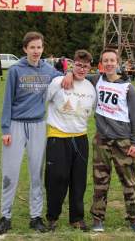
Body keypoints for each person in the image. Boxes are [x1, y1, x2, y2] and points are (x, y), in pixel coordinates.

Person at [0, 32, 73, 236]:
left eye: (39, 47)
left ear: (43, 49)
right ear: (25, 49)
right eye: (32, 48)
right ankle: (5, 217)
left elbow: (64, 78)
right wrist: (5, 129)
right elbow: (7, 102)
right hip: (16, 126)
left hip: (38, 126)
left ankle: (35, 217)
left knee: (37, 173)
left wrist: (69, 73)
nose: (36, 51)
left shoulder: (48, 70)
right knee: (10, 173)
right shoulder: (15, 70)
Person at [89, 48, 135, 236]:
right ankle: (97, 218)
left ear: (117, 63)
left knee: (128, 182)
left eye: (112, 60)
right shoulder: (95, 80)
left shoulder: (128, 87)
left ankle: (134, 219)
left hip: (123, 142)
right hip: (101, 140)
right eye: (105, 60)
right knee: (100, 181)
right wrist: (67, 75)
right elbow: (77, 73)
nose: (108, 63)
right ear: (101, 63)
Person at [45, 50, 96, 232]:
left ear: (90, 67)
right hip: (58, 137)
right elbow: (44, 100)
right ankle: (52, 217)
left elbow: (94, 112)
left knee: (78, 181)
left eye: (86, 66)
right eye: (79, 65)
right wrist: (66, 75)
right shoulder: (58, 82)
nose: (82, 69)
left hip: (80, 138)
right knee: (57, 179)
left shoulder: (90, 87)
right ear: (72, 64)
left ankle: (77, 218)